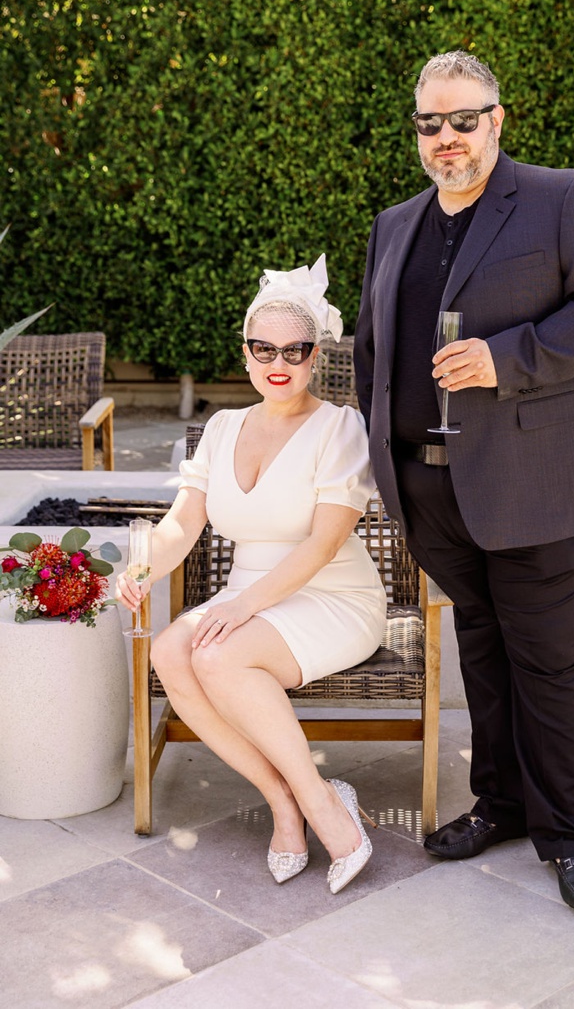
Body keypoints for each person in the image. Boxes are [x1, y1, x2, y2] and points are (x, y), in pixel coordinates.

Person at [354, 50, 574, 912]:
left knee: (550, 664)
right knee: (482, 647)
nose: (446, 138)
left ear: (497, 120)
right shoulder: (394, 223)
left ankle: (569, 836)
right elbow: (374, 349)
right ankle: (503, 804)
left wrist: (502, 358)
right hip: (430, 488)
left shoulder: (564, 197)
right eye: (429, 124)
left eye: (463, 120)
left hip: (540, 484)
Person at [116, 257, 382, 892]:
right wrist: (142, 566)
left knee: (219, 654)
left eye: (295, 349)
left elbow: (322, 546)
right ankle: (286, 802)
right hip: (249, 600)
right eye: (264, 347)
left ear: (316, 355)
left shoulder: (340, 426)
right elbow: (182, 524)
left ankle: (324, 809)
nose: (278, 360)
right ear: (245, 353)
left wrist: (236, 609)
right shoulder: (222, 427)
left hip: (333, 596)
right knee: (173, 651)